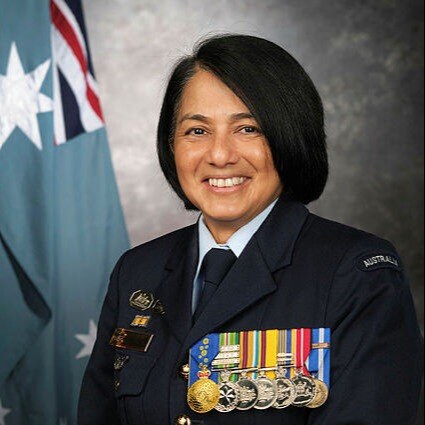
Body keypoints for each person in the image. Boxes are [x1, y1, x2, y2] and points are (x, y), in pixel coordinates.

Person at [78, 34, 423, 425]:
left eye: (248, 129)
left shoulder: (358, 275)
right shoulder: (138, 270)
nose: (219, 155)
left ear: (290, 137)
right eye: (197, 131)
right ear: (170, 144)